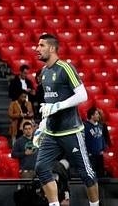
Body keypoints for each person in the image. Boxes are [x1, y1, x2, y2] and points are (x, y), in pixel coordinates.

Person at [32, 33, 99, 206]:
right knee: (40, 167)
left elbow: (83, 95)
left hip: (71, 131)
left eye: (41, 45)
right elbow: (49, 104)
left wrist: (58, 106)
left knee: (86, 173)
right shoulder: (45, 72)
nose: (37, 49)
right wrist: (42, 126)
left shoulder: (65, 67)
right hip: (52, 133)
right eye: (37, 45)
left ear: (52, 48)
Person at [84, 107, 108, 178]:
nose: (98, 116)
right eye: (97, 114)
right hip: (90, 156)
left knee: (101, 174)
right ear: (92, 116)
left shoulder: (100, 126)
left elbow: (102, 137)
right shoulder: (86, 126)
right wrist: (88, 152)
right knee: (92, 175)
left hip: (99, 154)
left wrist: (103, 148)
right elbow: (84, 140)